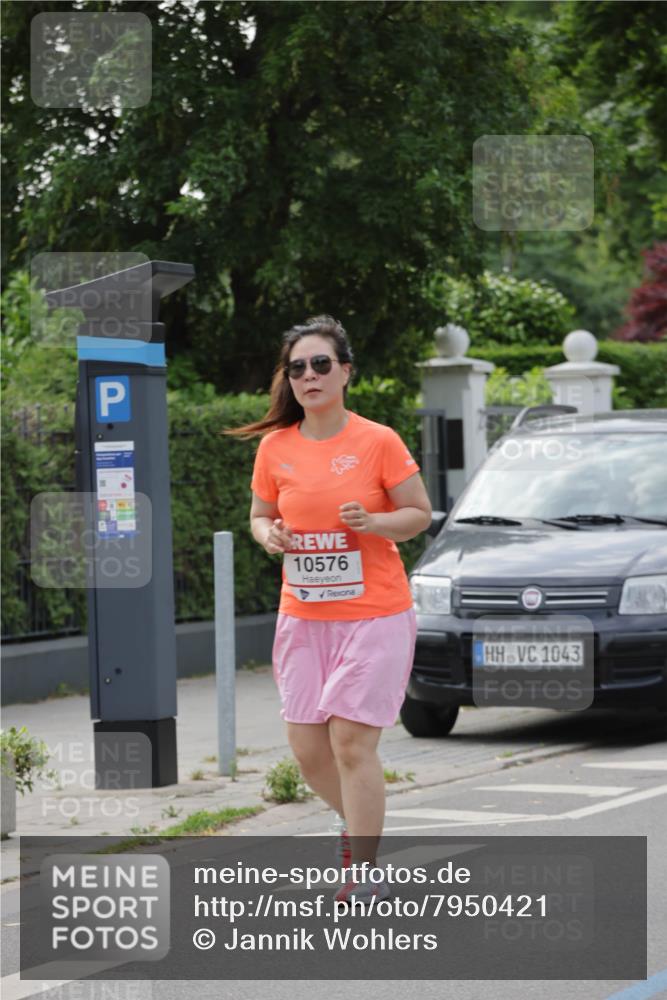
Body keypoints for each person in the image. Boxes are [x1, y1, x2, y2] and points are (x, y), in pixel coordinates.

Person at [226, 315, 432, 904]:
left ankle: (362, 869)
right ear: (288, 380)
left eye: (321, 364)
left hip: (375, 612)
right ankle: (364, 825)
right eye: (297, 368)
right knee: (307, 748)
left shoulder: (378, 441)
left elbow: (419, 511)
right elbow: (261, 515)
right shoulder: (275, 447)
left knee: (350, 743)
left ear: (345, 371)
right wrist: (269, 536)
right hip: (305, 616)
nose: (309, 376)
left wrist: (376, 522)